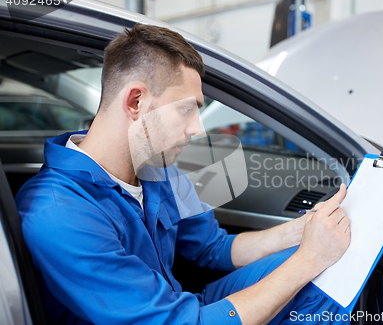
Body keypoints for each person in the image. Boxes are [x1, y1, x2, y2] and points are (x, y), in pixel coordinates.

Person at [16, 24, 351, 325]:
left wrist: (301, 233)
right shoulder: (58, 212)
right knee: (308, 267)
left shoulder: (159, 171)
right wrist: (309, 259)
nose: (197, 129)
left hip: (182, 308)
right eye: (187, 109)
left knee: (328, 268)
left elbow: (214, 248)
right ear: (135, 102)